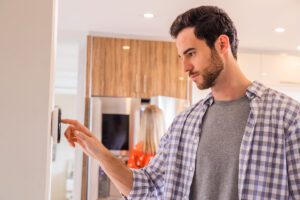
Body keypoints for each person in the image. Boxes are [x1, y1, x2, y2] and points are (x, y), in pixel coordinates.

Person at [63, 5, 300, 199]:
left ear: (222, 44)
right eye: (181, 56)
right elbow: (144, 188)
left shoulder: (287, 117)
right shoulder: (184, 123)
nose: (184, 67)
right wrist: (99, 153)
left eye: (191, 53)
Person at [127, 104, 164, 169]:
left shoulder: (137, 151)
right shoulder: (167, 150)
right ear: (161, 124)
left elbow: (130, 177)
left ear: (143, 124)